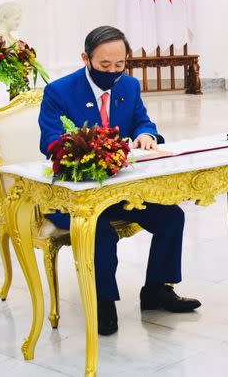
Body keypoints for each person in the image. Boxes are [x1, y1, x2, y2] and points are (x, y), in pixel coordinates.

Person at [39, 26, 200, 335]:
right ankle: (103, 301)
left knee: (171, 217)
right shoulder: (59, 92)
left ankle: (156, 289)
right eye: (103, 66)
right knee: (101, 233)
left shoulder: (128, 85)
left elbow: (142, 119)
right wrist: (90, 151)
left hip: (121, 188)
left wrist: (145, 134)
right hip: (74, 196)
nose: (112, 72)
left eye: (119, 65)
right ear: (85, 58)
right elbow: (50, 142)